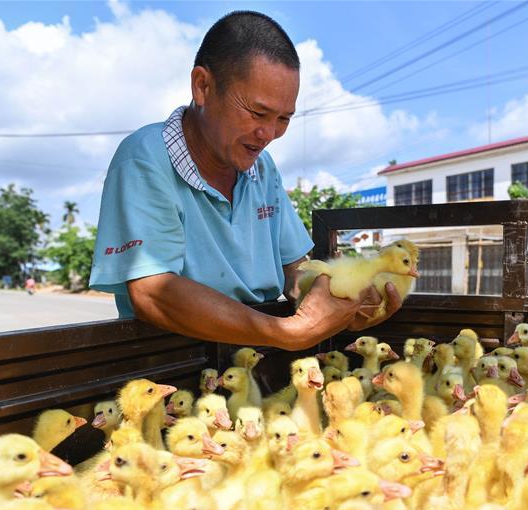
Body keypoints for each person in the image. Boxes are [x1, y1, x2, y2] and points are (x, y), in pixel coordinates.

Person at [89, 11, 400, 351]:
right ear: (203, 86)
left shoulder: (262, 169)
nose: (268, 134)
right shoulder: (145, 159)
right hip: (174, 366)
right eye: (257, 113)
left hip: (258, 358)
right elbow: (153, 293)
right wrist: (289, 332)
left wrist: (341, 303)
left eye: (283, 119)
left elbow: (295, 271)